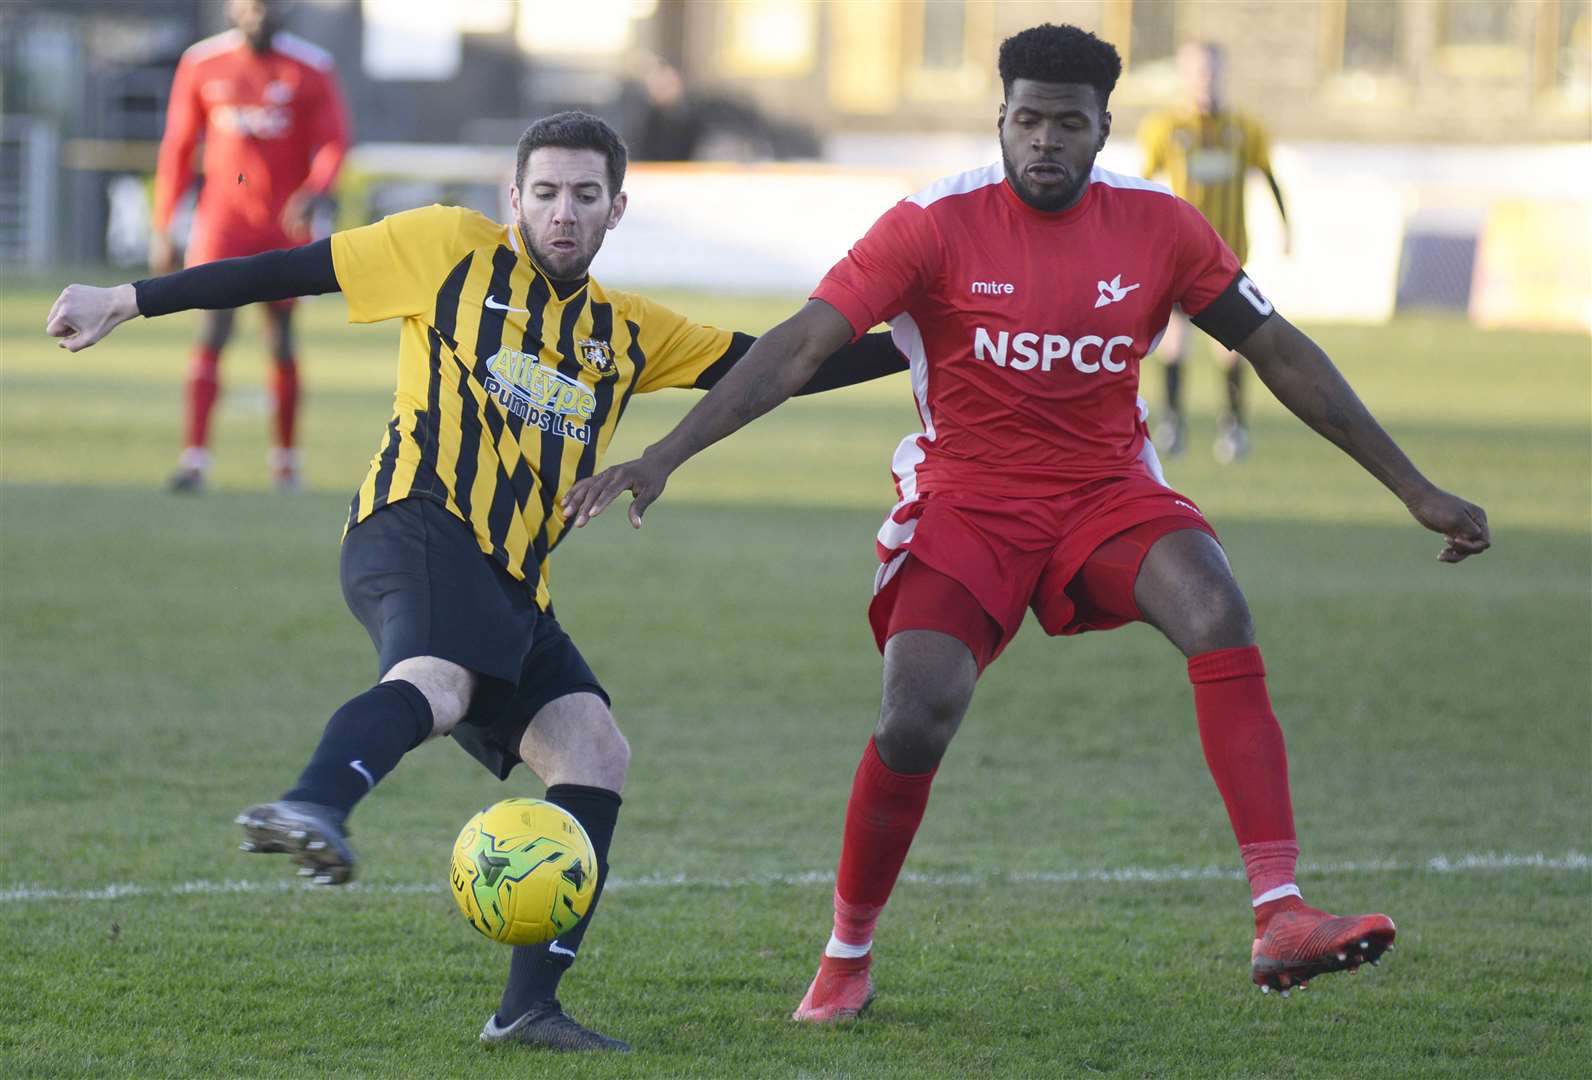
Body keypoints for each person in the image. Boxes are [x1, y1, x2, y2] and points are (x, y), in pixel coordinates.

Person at [561, 24, 1491, 1020]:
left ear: (1101, 131)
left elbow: (1280, 353)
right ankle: (845, 954)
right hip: (963, 501)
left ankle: (1279, 912)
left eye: (1067, 124)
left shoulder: (1161, 227)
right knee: (913, 715)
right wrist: (663, 456)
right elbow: (797, 348)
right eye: (1026, 120)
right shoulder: (930, 224)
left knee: (1216, 607)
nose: (1043, 141)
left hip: (1105, 494)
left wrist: (1412, 488)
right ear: (998, 118)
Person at [47, 111, 905, 1051]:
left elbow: (779, 364)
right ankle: (314, 804)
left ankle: (527, 1010)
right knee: (438, 681)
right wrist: (127, 297)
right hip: (413, 523)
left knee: (594, 752)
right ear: (514, 198)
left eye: (585, 195)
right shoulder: (446, 248)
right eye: (545, 193)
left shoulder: (626, 331)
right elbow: (290, 269)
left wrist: (921, 341)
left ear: (619, 208)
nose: (563, 212)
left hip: (512, 582)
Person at [151, 0, 351, 492]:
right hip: (222, 225)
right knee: (212, 332)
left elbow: (335, 141)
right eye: (251, 5)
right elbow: (178, 145)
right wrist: (164, 224)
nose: (259, 14)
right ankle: (194, 458)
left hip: (284, 224)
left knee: (280, 337)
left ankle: (285, 461)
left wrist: (315, 189)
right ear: (232, 9)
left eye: (269, 6)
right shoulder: (201, 62)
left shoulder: (311, 67)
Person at [1138, 41, 1288, 462]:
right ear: (1184, 76)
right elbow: (1142, 186)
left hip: (1226, 258)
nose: (1204, 79)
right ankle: (1172, 425)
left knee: (1233, 345)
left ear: (1222, 72)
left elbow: (1270, 178)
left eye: (1210, 70)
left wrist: (1285, 228)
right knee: (1174, 342)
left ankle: (1234, 427)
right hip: (1176, 257)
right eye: (1196, 71)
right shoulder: (1165, 127)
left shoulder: (1245, 128)